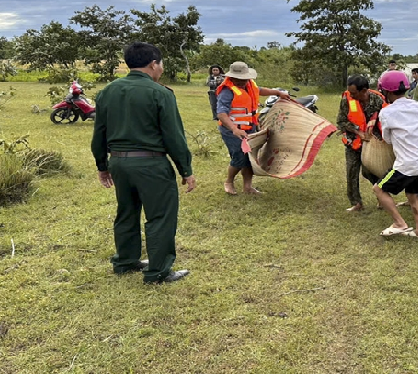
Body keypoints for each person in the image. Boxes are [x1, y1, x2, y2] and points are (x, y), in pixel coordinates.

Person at [91, 42, 194, 285]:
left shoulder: (108, 91)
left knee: (126, 212)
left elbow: (99, 132)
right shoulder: (161, 93)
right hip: (151, 165)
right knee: (160, 216)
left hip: (119, 163)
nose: (162, 68)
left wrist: (101, 165)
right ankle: (158, 271)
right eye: (161, 64)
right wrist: (185, 169)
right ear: (153, 64)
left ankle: (125, 261)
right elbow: (174, 137)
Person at [374, 71, 418, 240]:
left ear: (387, 92)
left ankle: (399, 223)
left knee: (379, 189)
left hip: (407, 164)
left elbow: (387, 139)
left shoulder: (387, 113)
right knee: (413, 196)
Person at [216, 61, 289, 195]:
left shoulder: (250, 85)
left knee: (250, 157)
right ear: (231, 78)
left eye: (244, 79)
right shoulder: (227, 92)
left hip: (249, 128)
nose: (241, 82)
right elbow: (221, 114)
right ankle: (229, 181)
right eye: (238, 79)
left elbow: (260, 90)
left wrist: (278, 93)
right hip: (232, 131)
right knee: (239, 157)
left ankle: (248, 187)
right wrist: (234, 129)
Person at [338, 74, 387, 211]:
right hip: (353, 141)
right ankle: (356, 203)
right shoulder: (346, 98)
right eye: (350, 91)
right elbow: (341, 121)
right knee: (351, 172)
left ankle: (382, 197)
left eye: (354, 92)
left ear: (364, 90)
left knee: (370, 171)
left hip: (373, 142)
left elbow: (386, 119)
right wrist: (359, 132)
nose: (351, 95)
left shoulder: (378, 99)